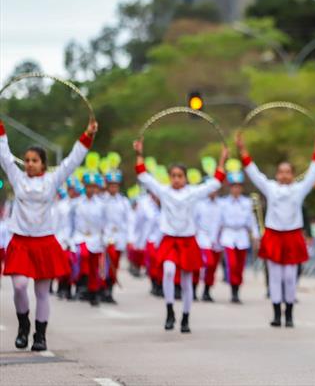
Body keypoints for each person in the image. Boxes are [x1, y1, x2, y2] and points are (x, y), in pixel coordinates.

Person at [0, 118, 97, 351]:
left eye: (35, 161)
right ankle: (23, 325)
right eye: (27, 160)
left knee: (42, 292)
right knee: (20, 286)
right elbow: (3, 153)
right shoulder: (17, 178)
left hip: (45, 242)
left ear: (43, 164)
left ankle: (40, 335)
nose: (30, 164)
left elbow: (73, 160)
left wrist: (88, 135)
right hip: (21, 242)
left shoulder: (53, 180)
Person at [132, 138, 227, 333]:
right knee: (167, 270)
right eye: (173, 175)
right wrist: (139, 153)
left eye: (180, 176)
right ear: (169, 177)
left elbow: (215, 182)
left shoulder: (193, 192)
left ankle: (185, 316)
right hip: (169, 239)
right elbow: (143, 176)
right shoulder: (164, 191)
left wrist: (222, 160)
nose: (176, 179)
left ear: (185, 178)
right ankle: (169, 310)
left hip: (187, 240)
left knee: (186, 280)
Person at [237, 127, 315, 328]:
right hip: (274, 235)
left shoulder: (299, 189)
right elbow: (254, 173)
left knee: (290, 276)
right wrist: (243, 151)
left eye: (288, 172)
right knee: (275, 276)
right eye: (281, 172)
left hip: (293, 235)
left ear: (293, 175)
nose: (284, 175)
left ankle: (290, 313)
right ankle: (277, 313)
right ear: (277, 175)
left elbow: (314, 170)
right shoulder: (271, 188)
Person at [218, 171, 259, 304]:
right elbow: (218, 221)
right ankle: (232, 287)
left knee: (240, 266)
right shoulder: (223, 203)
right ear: (230, 187)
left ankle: (236, 290)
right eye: (233, 186)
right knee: (232, 264)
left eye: (238, 186)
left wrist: (256, 237)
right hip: (228, 235)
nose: (236, 189)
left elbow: (252, 221)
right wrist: (215, 238)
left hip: (242, 236)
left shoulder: (247, 202)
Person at [72, 172, 107, 307]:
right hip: (80, 237)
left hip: (96, 238)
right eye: (88, 186)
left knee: (94, 268)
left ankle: (93, 293)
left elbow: (105, 223)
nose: (91, 189)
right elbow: (72, 222)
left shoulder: (101, 204)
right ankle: (80, 284)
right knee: (83, 256)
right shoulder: (77, 203)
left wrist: (105, 238)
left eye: (93, 187)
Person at [102, 170, 130, 303]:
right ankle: (102, 289)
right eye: (111, 185)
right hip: (105, 237)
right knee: (105, 265)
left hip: (118, 238)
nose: (113, 188)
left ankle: (109, 290)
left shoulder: (123, 201)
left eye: (116, 185)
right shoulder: (102, 200)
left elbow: (127, 220)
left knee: (115, 265)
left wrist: (127, 238)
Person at [194, 188, 222, 302]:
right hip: (202, 239)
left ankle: (207, 291)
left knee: (212, 267)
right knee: (200, 265)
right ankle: (193, 289)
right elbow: (194, 221)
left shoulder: (221, 204)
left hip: (216, 241)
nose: (213, 191)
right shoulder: (199, 204)